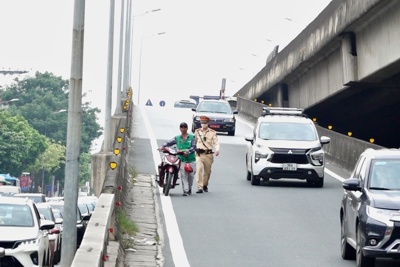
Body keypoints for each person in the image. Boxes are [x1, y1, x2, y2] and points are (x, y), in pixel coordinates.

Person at [158, 122, 196, 196]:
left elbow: (194, 147)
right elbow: (169, 143)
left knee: (191, 176)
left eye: (184, 127)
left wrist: (187, 151)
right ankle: (185, 191)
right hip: (181, 159)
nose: (183, 129)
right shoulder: (177, 138)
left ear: (187, 128)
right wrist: (162, 146)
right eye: (181, 127)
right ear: (180, 128)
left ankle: (189, 189)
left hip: (191, 159)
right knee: (183, 175)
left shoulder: (192, 137)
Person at [194, 115, 220, 193]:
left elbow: (216, 143)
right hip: (199, 154)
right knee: (199, 169)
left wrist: (217, 149)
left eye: (205, 123)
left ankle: (205, 184)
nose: (203, 124)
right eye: (202, 122)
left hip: (208, 154)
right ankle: (199, 187)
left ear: (208, 123)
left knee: (207, 172)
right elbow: (194, 142)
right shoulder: (197, 131)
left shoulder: (212, 133)